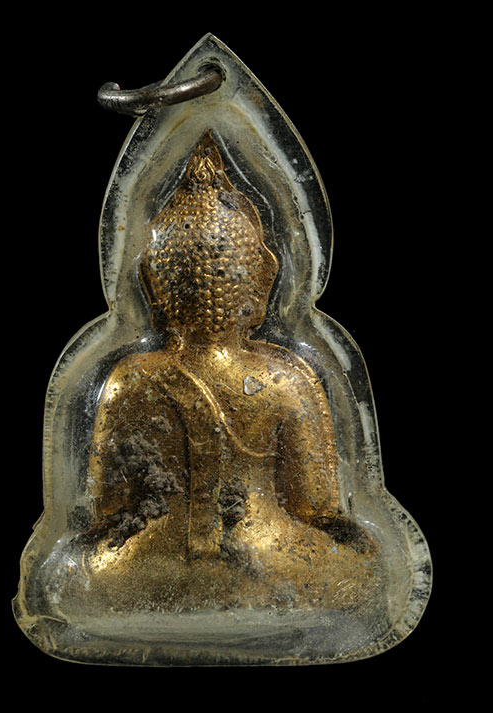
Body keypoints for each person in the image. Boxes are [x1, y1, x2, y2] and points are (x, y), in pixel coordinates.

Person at [81, 131, 384, 613]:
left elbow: (108, 509)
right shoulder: (287, 376)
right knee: (363, 569)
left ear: (155, 285)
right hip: (269, 561)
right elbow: (316, 505)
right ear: (262, 279)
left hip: (151, 569)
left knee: (81, 574)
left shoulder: (129, 378)